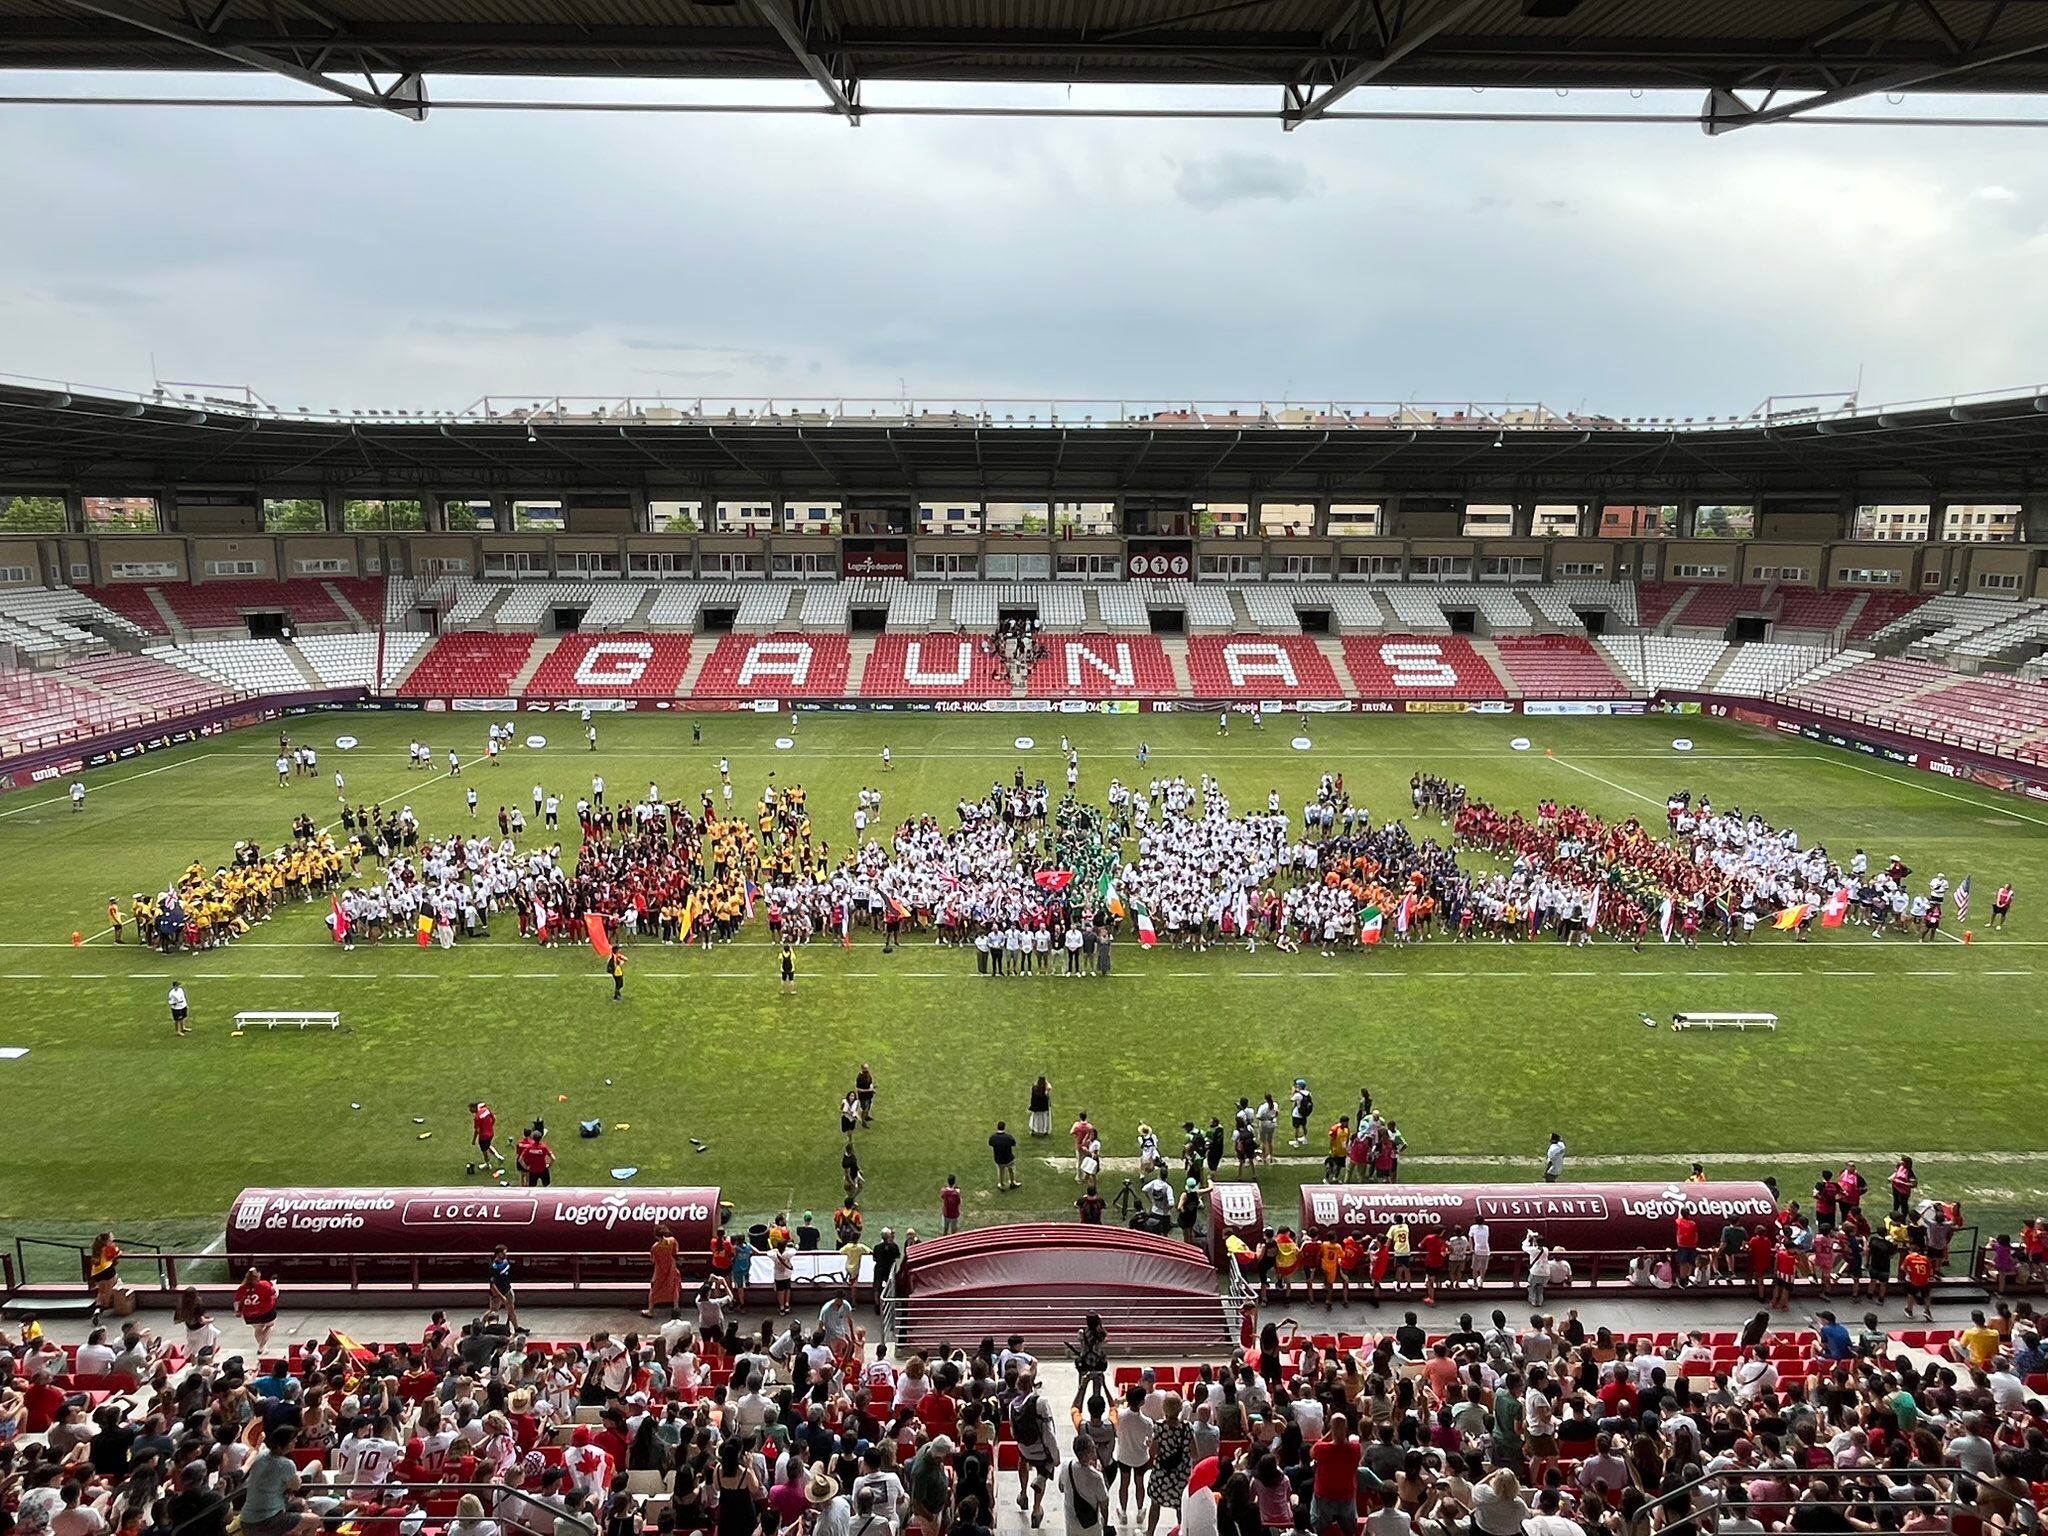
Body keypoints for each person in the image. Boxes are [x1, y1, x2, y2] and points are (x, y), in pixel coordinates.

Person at [1059, 1433, 1112, 1536]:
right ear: (1090, 1453)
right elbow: (1104, 1503)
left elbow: (1061, 1487)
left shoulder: (1066, 1466)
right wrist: (1105, 1524)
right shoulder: (1096, 1477)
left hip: (1071, 1523)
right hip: (1091, 1526)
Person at [235, 1265, 280, 1350]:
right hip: (267, 1312)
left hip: (250, 1315)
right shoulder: (264, 1285)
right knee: (270, 1326)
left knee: (258, 1329)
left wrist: (237, 1311)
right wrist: (274, 1284)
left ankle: (263, 1348)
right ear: (258, 1275)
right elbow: (275, 1294)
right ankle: (261, 1347)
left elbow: (237, 1301)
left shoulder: (242, 1288)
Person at [644, 1224, 681, 1319]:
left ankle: (650, 1310)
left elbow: (653, 1260)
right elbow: (675, 1252)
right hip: (672, 1268)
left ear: (656, 1235)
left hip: (660, 1270)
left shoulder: (655, 1247)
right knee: (674, 1288)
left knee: (654, 1289)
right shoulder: (672, 1241)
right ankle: (676, 1308)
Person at [487, 1244, 519, 1327]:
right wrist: (501, 1297)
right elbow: (492, 1285)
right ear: (499, 1254)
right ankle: (482, 1325)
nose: (506, 1254)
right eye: (504, 1252)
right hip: (498, 1294)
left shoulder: (505, 1261)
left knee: (511, 1310)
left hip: (508, 1290)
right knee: (493, 1312)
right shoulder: (493, 1267)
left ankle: (516, 1328)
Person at [990, 1121, 1020, 1191]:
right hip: (1008, 1158)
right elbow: (1014, 1144)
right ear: (1004, 1127)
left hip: (998, 1159)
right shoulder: (1008, 1137)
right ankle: (1012, 1182)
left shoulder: (993, 1137)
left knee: (1001, 1171)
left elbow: (990, 1144)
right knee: (1011, 1170)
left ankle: (1001, 1184)